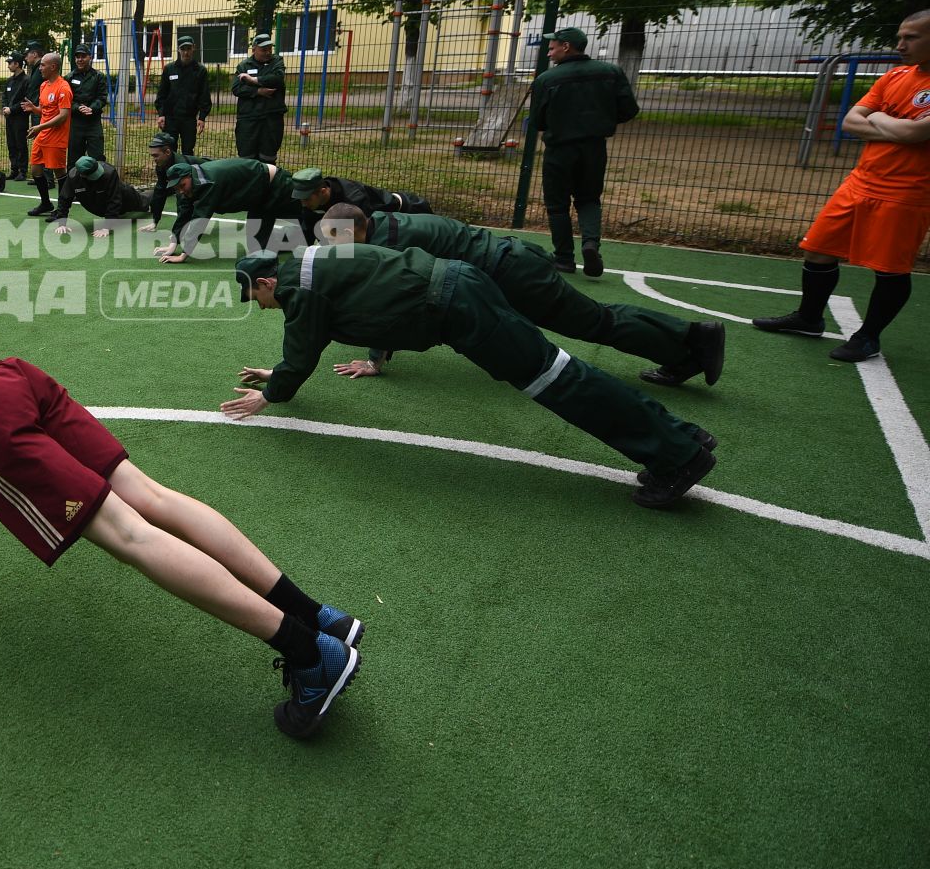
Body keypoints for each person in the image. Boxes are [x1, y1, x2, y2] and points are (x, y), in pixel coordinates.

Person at [0, 256, 364, 739]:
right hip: (10, 377)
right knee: (152, 497)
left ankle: (311, 653)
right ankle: (317, 615)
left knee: (130, 536)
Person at [221, 246, 716, 509]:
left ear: (266, 282)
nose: (263, 307)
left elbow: (303, 344)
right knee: (556, 374)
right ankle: (680, 438)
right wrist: (282, 373)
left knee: (556, 379)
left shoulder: (298, 288)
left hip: (458, 309)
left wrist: (272, 392)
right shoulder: (308, 265)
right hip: (460, 288)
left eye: (257, 299)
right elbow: (320, 334)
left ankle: (679, 455)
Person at [316, 204, 725, 386]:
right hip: (509, 263)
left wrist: (374, 359)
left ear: (356, 232)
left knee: (593, 322)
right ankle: (684, 348)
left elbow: (390, 301)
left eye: (339, 243)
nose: (339, 252)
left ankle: (693, 338)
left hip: (515, 273)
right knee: (592, 320)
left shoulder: (391, 247)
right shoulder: (385, 222)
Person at [754, 10, 930, 361]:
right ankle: (808, 317)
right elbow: (851, 120)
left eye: (911, 38)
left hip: (906, 192)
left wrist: (880, 119)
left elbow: (917, 133)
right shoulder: (896, 76)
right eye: (900, 36)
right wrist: (891, 123)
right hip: (860, 181)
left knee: (890, 267)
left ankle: (869, 337)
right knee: (817, 248)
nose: (900, 45)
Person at [529, 26, 638, 276]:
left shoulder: (546, 80)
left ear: (566, 46)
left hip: (559, 150)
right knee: (588, 199)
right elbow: (629, 109)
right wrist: (600, 121)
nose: (549, 53)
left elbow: (538, 121)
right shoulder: (610, 73)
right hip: (594, 147)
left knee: (557, 205)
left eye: (552, 47)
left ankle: (564, 258)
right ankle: (590, 243)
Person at [158, 158, 298, 260]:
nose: (181, 191)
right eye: (177, 188)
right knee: (257, 246)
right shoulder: (191, 185)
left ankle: (304, 235)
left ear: (189, 176)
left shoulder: (208, 183)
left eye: (182, 185)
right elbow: (184, 213)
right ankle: (296, 238)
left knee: (307, 214)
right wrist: (173, 242)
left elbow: (199, 219)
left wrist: (184, 254)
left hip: (276, 185)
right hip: (258, 197)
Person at [287, 168, 431, 247]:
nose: (303, 204)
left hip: (409, 212)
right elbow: (306, 232)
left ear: (323, 191)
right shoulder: (311, 200)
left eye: (306, 199)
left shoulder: (354, 200)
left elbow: (366, 239)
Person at [24, 51, 73, 217]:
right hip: (42, 134)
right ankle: (45, 203)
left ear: (53, 67)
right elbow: (46, 110)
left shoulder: (64, 88)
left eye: (43, 65)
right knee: (36, 170)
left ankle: (62, 210)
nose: (40, 68)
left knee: (59, 173)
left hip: (56, 137)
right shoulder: (44, 85)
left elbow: (63, 116)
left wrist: (39, 127)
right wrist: (34, 108)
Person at [57, 155, 149, 237]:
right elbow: (64, 198)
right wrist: (62, 223)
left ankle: (153, 194)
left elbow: (115, 199)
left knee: (143, 203)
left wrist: (106, 227)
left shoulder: (109, 172)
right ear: (82, 175)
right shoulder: (73, 177)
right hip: (99, 203)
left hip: (123, 195)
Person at [231, 33, 287, 163]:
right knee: (247, 159)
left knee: (268, 159)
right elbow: (236, 88)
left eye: (269, 49)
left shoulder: (277, 62)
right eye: (263, 50)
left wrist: (253, 80)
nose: (267, 52)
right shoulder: (244, 66)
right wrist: (258, 91)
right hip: (249, 118)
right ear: (254, 49)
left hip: (271, 118)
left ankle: (267, 181)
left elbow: (277, 78)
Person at [141, 132, 209, 233]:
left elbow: (183, 200)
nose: (154, 159)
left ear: (167, 152)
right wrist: (155, 221)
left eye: (156, 156)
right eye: (152, 156)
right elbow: (160, 191)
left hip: (211, 178)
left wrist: (179, 232)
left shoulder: (180, 165)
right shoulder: (161, 165)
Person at [155, 35, 212, 155]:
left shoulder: (200, 71)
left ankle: (187, 173)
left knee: (188, 151)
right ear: (178, 50)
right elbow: (162, 94)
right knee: (169, 150)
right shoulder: (169, 69)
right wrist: (161, 114)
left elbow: (204, 96)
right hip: (171, 119)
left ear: (193, 48)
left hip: (189, 119)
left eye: (188, 48)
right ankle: (170, 173)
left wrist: (202, 117)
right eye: (183, 49)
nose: (186, 52)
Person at [66, 44, 109, 166]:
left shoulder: (98, 76)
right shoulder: (69, 77)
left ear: (89, 57)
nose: (80, 59)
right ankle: (74, 183)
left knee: (97, 156)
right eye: (77, 57)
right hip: (76, 122)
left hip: (93, 122)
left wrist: (92, 108)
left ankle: (97, 183)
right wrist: (78, 108)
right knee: (74, 157)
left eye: (83, 56)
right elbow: (67, 100)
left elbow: (102, 97)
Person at [0, 53, 31, 179]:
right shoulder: (9, 81)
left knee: (20, 143)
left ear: (17, 64)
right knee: (11, 143)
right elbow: (4, 96)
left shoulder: (26, 80)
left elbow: (26, 100)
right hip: (9, 118)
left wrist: (11, 109)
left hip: (20, 117)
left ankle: (23, 171)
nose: (8, 66)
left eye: (10, 63)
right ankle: (14, 169)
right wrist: (5, 107)